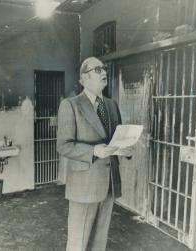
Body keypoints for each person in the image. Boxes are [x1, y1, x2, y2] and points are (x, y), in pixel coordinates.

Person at [57, 57, 133, 251]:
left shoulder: (111, 105)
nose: (104, 73)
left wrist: (124, 149)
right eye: (98, 69)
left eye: (104, 69)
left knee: (99, 243)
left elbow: (114, 140)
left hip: (108, 184)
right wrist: (93, 151)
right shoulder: (71, 105)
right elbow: (64, 146)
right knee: (78, 244)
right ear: (85, 77)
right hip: (84, 186)